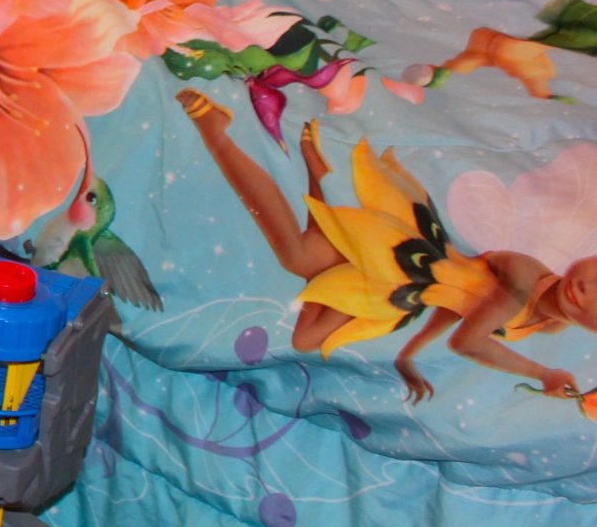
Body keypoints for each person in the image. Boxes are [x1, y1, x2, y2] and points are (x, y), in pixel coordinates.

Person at [178, 89, 597, 405]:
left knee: (306, 339)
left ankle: (318, 179)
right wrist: (542, 373)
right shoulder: (525, 279)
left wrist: (407, 356)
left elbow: (462, 307)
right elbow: (468, 340)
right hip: (405, 256)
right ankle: (217, 134)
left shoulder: (549, 323)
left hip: (405, 294)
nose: (586, 287)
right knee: (298, 257)